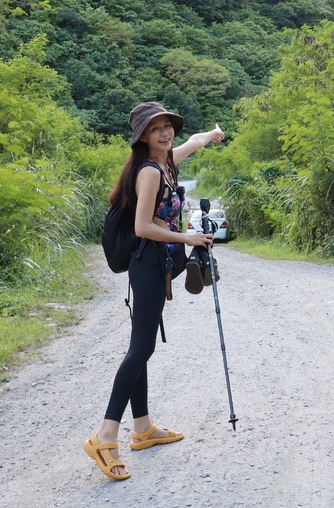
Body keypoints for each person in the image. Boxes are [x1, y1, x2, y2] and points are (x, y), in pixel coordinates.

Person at [83, 102, 224, 480]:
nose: (165, 133)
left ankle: (142, 428)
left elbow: (191, 142)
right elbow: (143, 226)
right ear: (142, 136)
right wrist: (187, 236)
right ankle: (105, 435)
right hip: (146, 263)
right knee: (141, 348)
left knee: (140, 345)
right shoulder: (148, 172)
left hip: (157, 264)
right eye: (156, 128)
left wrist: (210, 135)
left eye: (168, 126)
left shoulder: (167, 163)